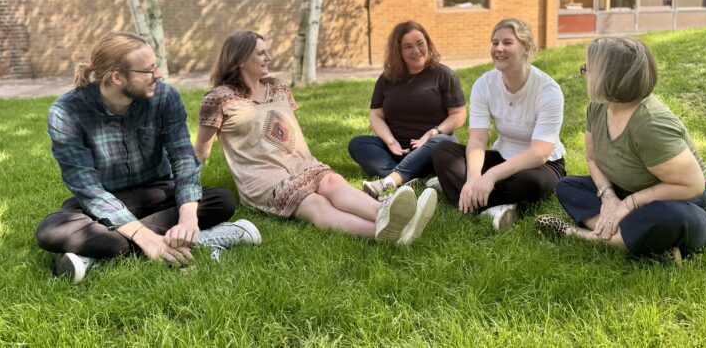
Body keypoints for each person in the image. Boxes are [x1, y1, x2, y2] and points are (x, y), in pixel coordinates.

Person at [36, 32, 260, 285]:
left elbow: (183, 159)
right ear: (118, 77)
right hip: (105, 202)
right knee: (51, 230)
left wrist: (187, 218)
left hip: (159, 195)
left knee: (221, 200)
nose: (159, 75)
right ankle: (206, 238)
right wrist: (144, 236)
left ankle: (93, 256)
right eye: (149, 70)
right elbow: (88, 189)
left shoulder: (165, 97)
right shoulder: (65, 113)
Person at [194, 31, 437, 245]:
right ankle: (385, 232)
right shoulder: (218, 99)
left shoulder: (278, 87)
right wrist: (187, 191)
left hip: (301, 163)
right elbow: (201, 151)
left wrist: (307, 165)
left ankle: (388, 213)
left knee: (333, 183)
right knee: (315, 204)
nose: (268, 57)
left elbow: (289, 132)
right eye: (261, 53)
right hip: (263, 177)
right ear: (239, 60)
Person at [535, 37, 706, 260]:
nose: (584, 74)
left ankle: (579, 235)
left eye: (588, 69)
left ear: (609, 77)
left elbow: (692, 185)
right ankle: (633, 238)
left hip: (690, 206)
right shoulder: (597, 108)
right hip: (628, 191)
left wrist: (630, 203)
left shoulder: (651, 125)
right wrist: (608, 197)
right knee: (567, 186)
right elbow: (592, 159)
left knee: (666, 216)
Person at [432, 18, 567, 231]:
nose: (499, 49)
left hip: (541, 166)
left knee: (533, 183)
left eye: (507, 43)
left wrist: (491, 176)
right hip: (501, 156)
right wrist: (475, 177)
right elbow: (477, 139)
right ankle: (495, 205)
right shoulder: (484, 84)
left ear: (526, 48)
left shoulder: (548, 90)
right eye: (495, 43)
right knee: (443, 151)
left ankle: (460, 192)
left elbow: (539, 153)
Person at [348, 21, 466, 199]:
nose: (416, 50)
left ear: (427, 43)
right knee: (358, 144)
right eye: (408, 46)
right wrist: (389, 141)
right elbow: (376, 115)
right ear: (399, 52)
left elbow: (458, 115)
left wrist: (434, 132)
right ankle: (414, 176)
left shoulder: (443, 75)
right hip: (397, 150)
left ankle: (390, 181)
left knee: (443, 142)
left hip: (432, 147)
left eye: (420, 43)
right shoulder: (387, 79)